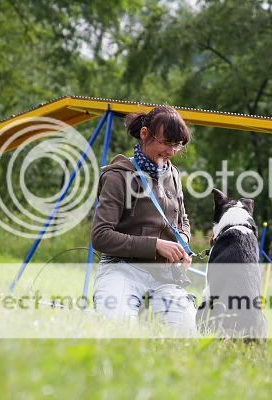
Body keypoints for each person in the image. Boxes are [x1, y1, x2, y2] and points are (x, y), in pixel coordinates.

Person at [91, 105, 196, 335]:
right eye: (166, 142)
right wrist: (155, 245)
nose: (171, 151)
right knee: (118, 329)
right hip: (122, 270)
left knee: (186, 336)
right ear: (145, 133)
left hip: (165, 279)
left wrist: (183, 245)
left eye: (177, 145)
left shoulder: (174, 175)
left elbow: (183, 221)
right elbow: (100, 236)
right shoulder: (118, 176)